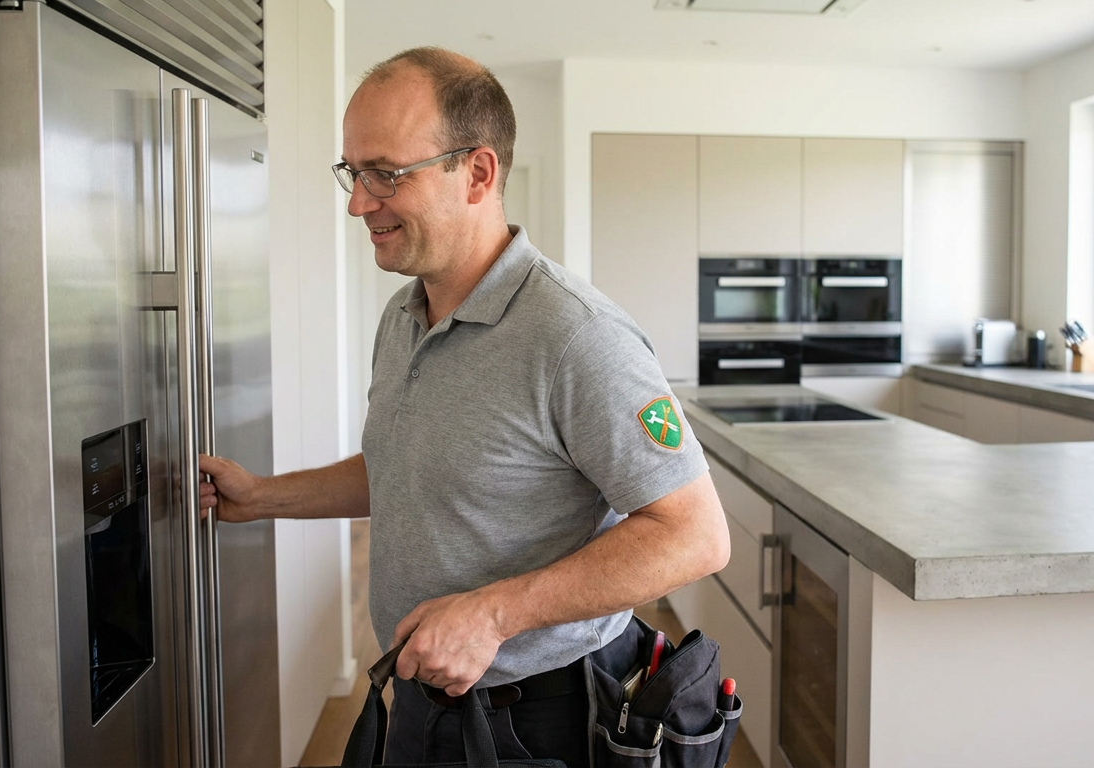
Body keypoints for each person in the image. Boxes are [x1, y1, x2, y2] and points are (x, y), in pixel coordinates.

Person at [198, 46, 730, 765]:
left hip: (541, 716)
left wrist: (492, 613)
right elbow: (405, 465)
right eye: (353, 173)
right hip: (427, 698)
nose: (358, 202)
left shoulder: (576, 335)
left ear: (476, 172)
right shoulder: (403, 314)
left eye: (386, 174)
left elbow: (694, 535)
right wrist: (261, 498)